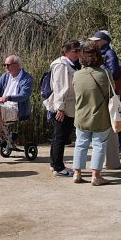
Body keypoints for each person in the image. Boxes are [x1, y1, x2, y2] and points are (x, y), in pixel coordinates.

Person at [72, 40, 114, 186]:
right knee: (99, 145)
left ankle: (77, 173)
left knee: (80, 144)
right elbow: (112, 94)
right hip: (100, 117)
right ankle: (96, 175)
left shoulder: (76, 75)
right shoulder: (106, 75)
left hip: (81, 116)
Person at [44, 39, 82, 176]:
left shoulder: (73, 64)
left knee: (60, 136)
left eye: (79, 50)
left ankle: (54, 163)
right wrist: (60, 108)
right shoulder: (61, 65)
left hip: (69, 105)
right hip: (61, 106)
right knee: (60, 136)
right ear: (66, 52)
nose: (78, 53)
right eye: (75, 51)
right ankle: (58, 168)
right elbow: (60, 87)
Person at [90, 30, 121, 156]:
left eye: (97, 40)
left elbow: (114, 73)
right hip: (101, 92)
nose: (94, 42)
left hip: (111, 92)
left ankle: (119, 149)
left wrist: (99, 67)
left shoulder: (110, 53)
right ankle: (107, 149)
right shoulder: (98, 53)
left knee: (115, 119)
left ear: (104, 41)